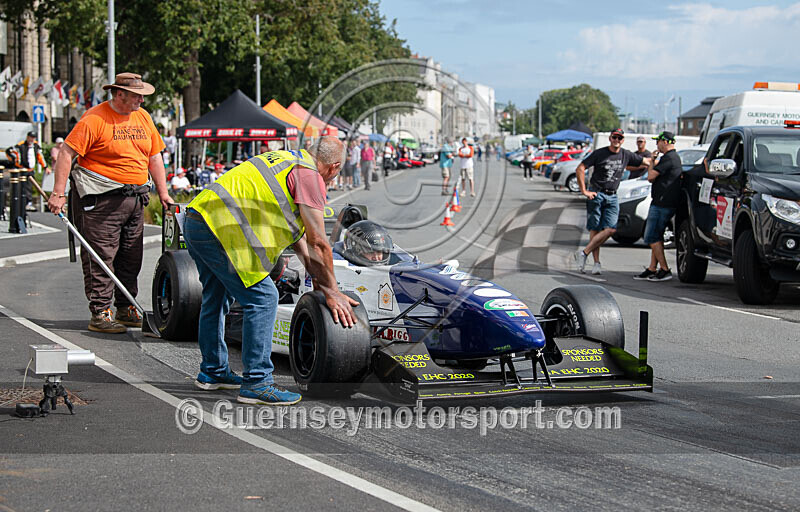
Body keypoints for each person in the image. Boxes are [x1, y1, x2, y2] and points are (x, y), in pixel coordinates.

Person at [183, 137, 358, 405]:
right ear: (334, 167)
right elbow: (319, 243)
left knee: (216, 297)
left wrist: (324, 288)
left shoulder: (286, 160)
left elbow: (303, 245)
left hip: (198, 220)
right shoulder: (310, 177)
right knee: (263, 298)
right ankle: (257, 382)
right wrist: (333, 292)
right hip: (221, 229)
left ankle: (213, 372)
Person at [47, 72, 171, 333]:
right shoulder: (95, 118)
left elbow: (155, 156)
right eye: (136, 95)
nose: (141, 100)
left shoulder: (143, 117)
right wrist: (58, 192)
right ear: (119, 94)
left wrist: (164, 193)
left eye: (142, 95)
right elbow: (67, 154)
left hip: (135, 198)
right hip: (102, 200)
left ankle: (126, 308)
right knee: (101, 256)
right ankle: (100, 311)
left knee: (131, 256)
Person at [573, 129, 651, 274]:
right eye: (614, 137)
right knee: (595, 229)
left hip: (613, 195)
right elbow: (581, 168)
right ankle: (596, 263)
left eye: (619, 138)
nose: (617, 140)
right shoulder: (600, 153)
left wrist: (660, 159)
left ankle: (583, 253)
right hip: (597, 193)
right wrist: (584, 190)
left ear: (623, 140)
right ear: (610, 138)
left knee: (611, 229)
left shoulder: (625, 154)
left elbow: (646, 161)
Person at [634, 132, 681, 282]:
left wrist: (652, 161)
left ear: (666, 142)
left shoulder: (669, 158)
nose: (656, 145)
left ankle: (665, 269)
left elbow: (651, 177)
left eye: (658, 141)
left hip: (662, 204)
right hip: (662, 202)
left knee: (651, 236)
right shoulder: (671, 158)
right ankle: (652, 268)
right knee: (657, 237)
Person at [14, 131, 50, 211]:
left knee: (29, 186)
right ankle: (21, 203)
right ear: (27, 137)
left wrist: (45, 167)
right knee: (21, 186)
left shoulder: (36, 146)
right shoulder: (21, 145)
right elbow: (14, 154)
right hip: (22, 169)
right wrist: (18, 165)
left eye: (33, 137)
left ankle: (28, 203)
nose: (32, 139)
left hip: (31, 170)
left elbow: (40, 157)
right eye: (31, 137)